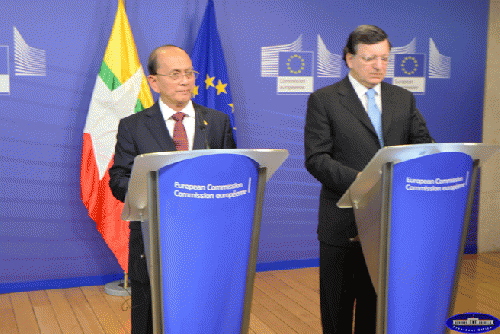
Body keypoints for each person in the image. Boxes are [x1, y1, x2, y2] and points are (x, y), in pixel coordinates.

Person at [304, 25, 433, 333]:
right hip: (344, 220)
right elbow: (317, 159)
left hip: (389, 220)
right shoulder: (324, 100)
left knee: (374, 307)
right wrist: (363, 180)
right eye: (370, 58)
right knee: (337, 309)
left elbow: (423, 146)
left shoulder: (403, 98)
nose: (379, 66)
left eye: (385, 58)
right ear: (349, 59)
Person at [109, 45, 236, 334]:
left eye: (189, 73)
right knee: (148, 317)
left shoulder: (216, 122)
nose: (185, 81)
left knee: (203, 314)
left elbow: (229, 174)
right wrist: (159, 192)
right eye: (175, 74)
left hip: (206, 240)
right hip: (154, 239)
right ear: (154, 82)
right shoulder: (133, 126)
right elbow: (118, 180)